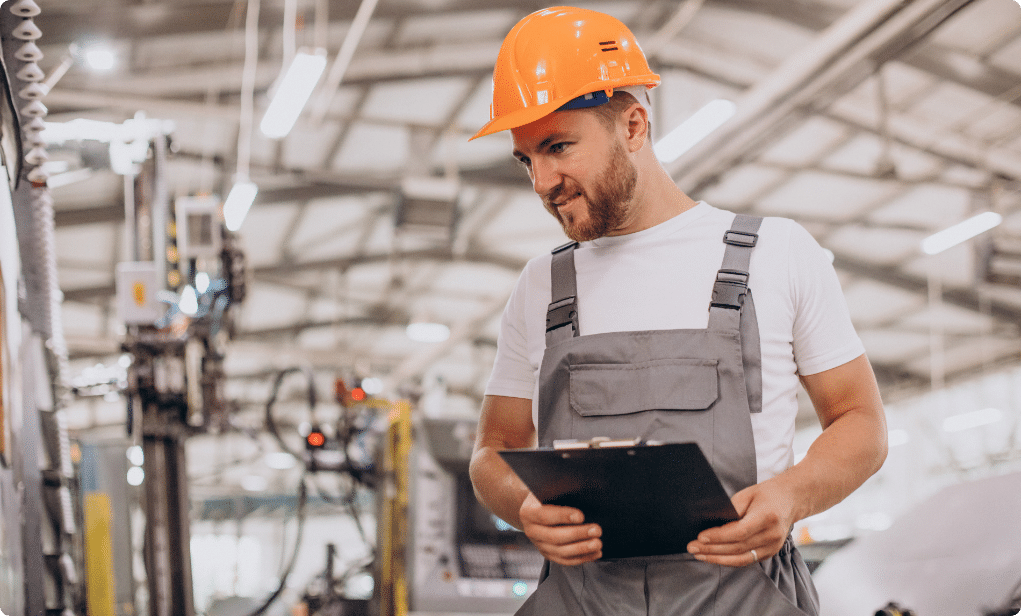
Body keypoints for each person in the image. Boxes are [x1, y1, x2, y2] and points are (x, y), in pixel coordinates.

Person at [467, 6, 888, 615]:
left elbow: (862, 423)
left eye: (559, 146)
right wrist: (524, 507)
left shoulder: (776, 254)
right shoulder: (541, 287)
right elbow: (491, 451)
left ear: (634, 126)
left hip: (744, 599)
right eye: (526, 158)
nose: (541, 181)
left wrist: (791, 496)